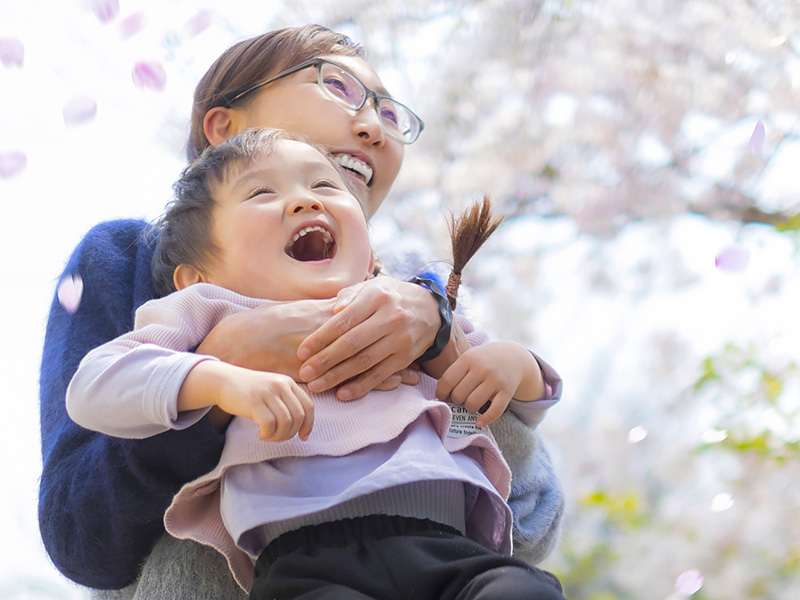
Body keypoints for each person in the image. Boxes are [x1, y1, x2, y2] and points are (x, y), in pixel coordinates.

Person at [38, 25, 564, 598]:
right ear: (224, 127)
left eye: (391, 116)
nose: (373, 126)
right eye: (337, 87)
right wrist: (217, 370)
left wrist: (443, 343)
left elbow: (530, 522)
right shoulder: (130, 262)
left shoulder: (412, 289)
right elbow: (82, 536)